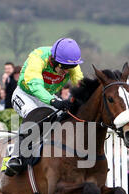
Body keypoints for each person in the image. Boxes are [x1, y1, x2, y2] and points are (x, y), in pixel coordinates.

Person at [5, 37, 84, 176]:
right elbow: (35, 86)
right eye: (64, 68)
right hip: (25, 94)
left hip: (47, 96)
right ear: (54, 60)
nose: (67, 71)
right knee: (35, 114)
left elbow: (81, 85)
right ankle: (15, 157)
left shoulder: (70, 63)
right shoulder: (38, 57)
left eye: (70, 68)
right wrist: (54, 102)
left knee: (66, 117)